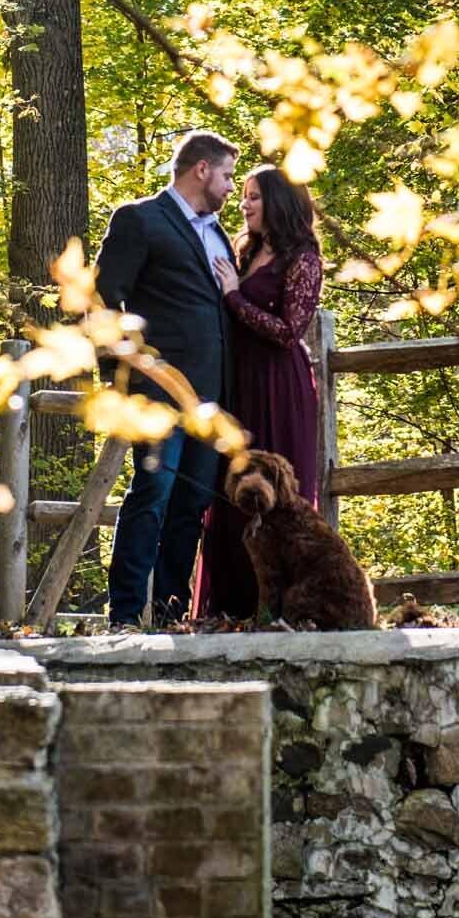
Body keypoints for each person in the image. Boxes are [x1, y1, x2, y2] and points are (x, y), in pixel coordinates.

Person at [97, 130, 239, 627]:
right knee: (152, 494)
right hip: (156, 392)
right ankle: (126, 612)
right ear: (201, 169)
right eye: (226, 175)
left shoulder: (218, 233)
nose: (229, 187)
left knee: (192, 503)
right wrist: (121, 379)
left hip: (208, 397)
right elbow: (104, 299)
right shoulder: (139, 219)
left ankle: (171, 611)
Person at [194, 165, 323, 622]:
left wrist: (234, 297)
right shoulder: (245, 253)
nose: (244, 204)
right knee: (231, 488)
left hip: (280, 386)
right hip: (239, 385)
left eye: (254, 197)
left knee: (280, 497)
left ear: (280, 203)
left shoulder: (303, 259)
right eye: (243, 195)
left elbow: (290, 332)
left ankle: (281, 609)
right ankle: (228, 608)